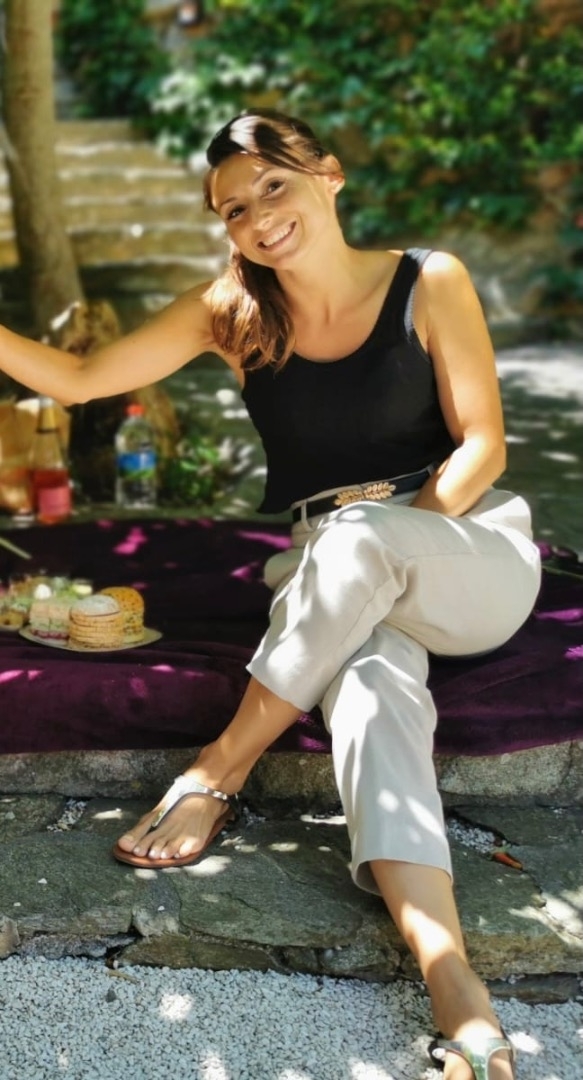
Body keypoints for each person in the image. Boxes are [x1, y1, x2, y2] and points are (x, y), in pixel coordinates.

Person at [0, 109, 540, 1080]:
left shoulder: (430, 280)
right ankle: (457, 991)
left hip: (462, 548)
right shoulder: (231, 311)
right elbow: (77, 380)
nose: (257, 217)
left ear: (328, 175)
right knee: (368, 694)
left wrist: (393, 543)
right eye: (233, 210)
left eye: (274, 186)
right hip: (328, 566)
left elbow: (483, 446)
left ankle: (218, 771)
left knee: (360, 541)